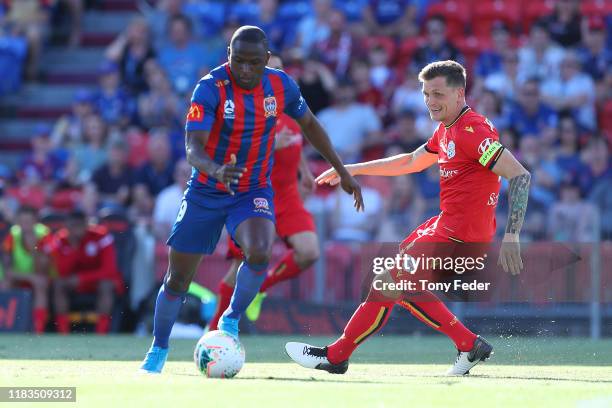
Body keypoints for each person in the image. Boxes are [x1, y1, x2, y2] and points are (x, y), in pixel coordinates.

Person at [140, 26, 363, 374]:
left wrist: (342, 169)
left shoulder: (281, 85)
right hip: (206, 190)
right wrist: (215, 170)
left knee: (260, 249)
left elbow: (310, 125)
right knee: (177, 280)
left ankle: (230, 319)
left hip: (252, 189)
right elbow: (192, 148)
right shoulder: (209, 87)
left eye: (253, 63)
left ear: (265, 60)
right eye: (238, 61)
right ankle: (158, 349)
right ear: (228, 55)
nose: (245, 69)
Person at [285, 60, 531, 376]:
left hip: (461, 233)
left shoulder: (473, 131)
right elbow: (412, 161)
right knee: (392, 286)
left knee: (390, 284)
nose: (430, 101)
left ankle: (337, 356)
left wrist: (513, 234)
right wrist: (355, 169)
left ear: (460, 93)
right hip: (448, 225)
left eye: (438, 94)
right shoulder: (446, 130)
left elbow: (520, 176)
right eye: (426, 94)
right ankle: (467, 344)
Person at [207, 55, 319, 329]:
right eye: (272, 71)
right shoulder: (246, 112)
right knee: (238, 269)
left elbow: (296, 138)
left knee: (309, 252)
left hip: (288, 195)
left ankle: (260, 288)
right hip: (254, 196)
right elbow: (231, 156)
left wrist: (304, 170)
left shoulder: (291, 107)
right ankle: (215, 330)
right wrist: (271, 145)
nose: (277, 77)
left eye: (281, 72)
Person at [47, 210, 124, 335]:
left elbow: (110, 270)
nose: (77, 229)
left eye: (80, 225)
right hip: (72, 282)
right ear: (67, 226)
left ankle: (101, 333)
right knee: (58, 284)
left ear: (86, 224)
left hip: (95, 282)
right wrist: (73, 246)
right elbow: (60, 271)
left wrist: (81, 278)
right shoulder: (60, 240)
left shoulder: (101, 236)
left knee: (107, 285)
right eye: (73, 226)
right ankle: (63, 333)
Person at [0, 206, 52, 334]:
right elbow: (7, 269)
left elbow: (43, 270)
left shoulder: (45, 235)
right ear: (17, 221)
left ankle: (38, 329)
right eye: (22, 222)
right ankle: (7, 326)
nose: (25, 225)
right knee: (5, 283)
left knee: (40, 284)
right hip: (19, 275)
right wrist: (29, 277)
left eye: (29, 222)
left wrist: (34, 247)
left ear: (36, 221)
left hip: (40, 275)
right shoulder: (12, 235)